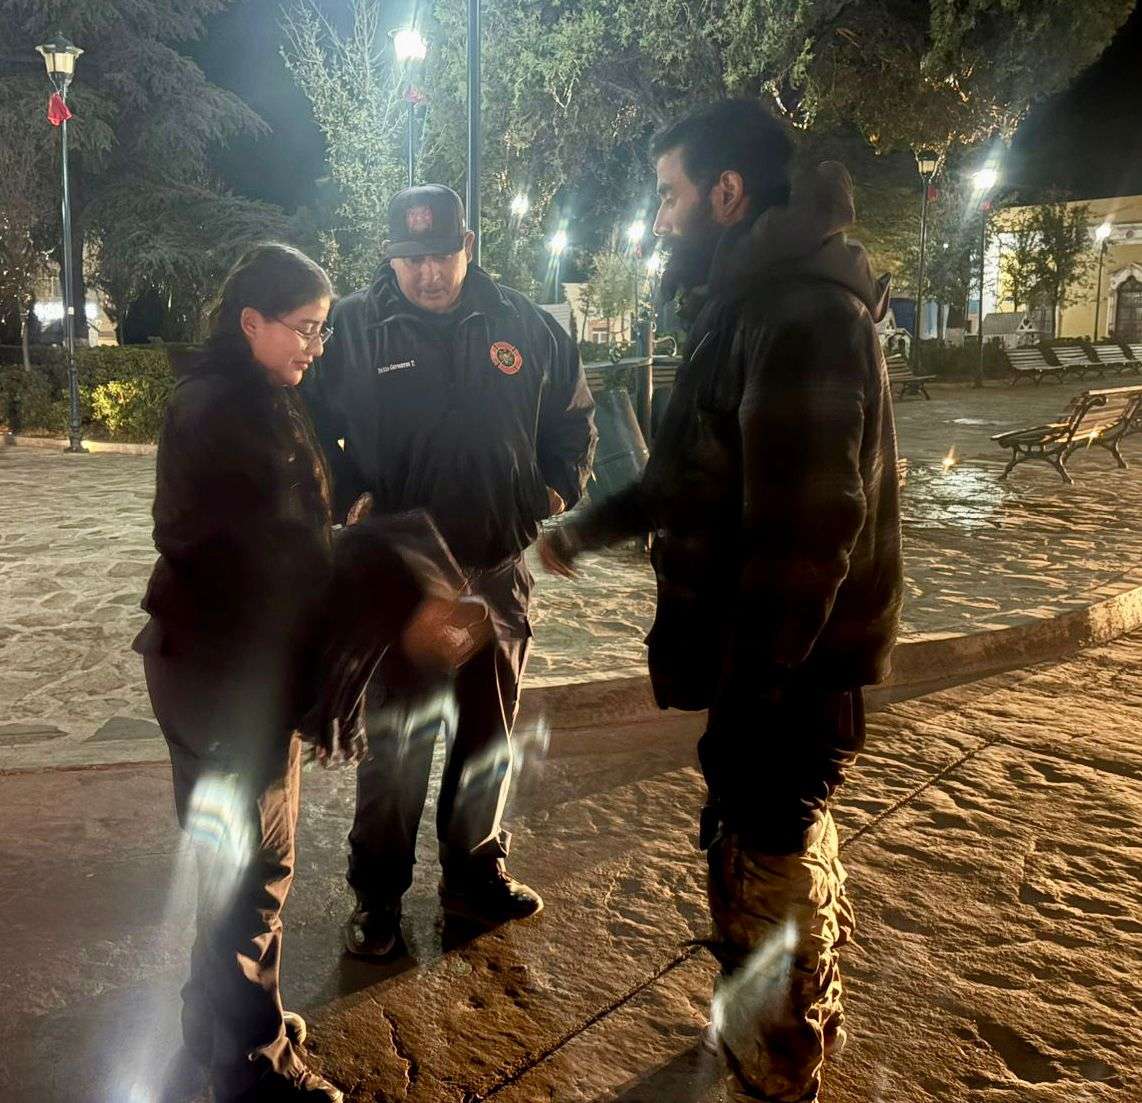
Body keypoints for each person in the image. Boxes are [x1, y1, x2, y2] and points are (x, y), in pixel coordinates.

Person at [538, 100, 903, 1103]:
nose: (659, 218)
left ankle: (776, 1067)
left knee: (765, 859)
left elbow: (809, 532)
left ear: (726, 193)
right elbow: (688, 471)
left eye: (669, 195)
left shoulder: (798, 315)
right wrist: (583, 529)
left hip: (786, 671)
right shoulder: (748, 305)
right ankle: (780, 1031)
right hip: (766, 663)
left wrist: (753, 687)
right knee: (775, 840)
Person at [134, 243, 473, 1103]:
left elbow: (278, 538)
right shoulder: (227, 413)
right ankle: (253, 1064)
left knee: (233, 865)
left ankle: (218, 1024)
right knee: (254, 874)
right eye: (306, 328)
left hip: (217, 670)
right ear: (251, 321)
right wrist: (383, 558)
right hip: (227, 682)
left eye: (323, 330)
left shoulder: (241, 394)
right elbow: (269, 558)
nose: (316, 346)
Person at [302, 185, 596, 958]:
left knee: (487, 731)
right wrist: (343, 495)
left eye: (441, 254)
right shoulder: (352, 329)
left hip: (496, 567)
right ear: (391, 256)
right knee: (397, 744)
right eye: (413, 259)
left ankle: (474, 876)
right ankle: (378, 897)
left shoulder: (525, 324)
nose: (429, 272)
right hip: (401, 580)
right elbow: (307, 426)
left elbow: (572, 418)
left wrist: (555, 488)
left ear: (468, 245)